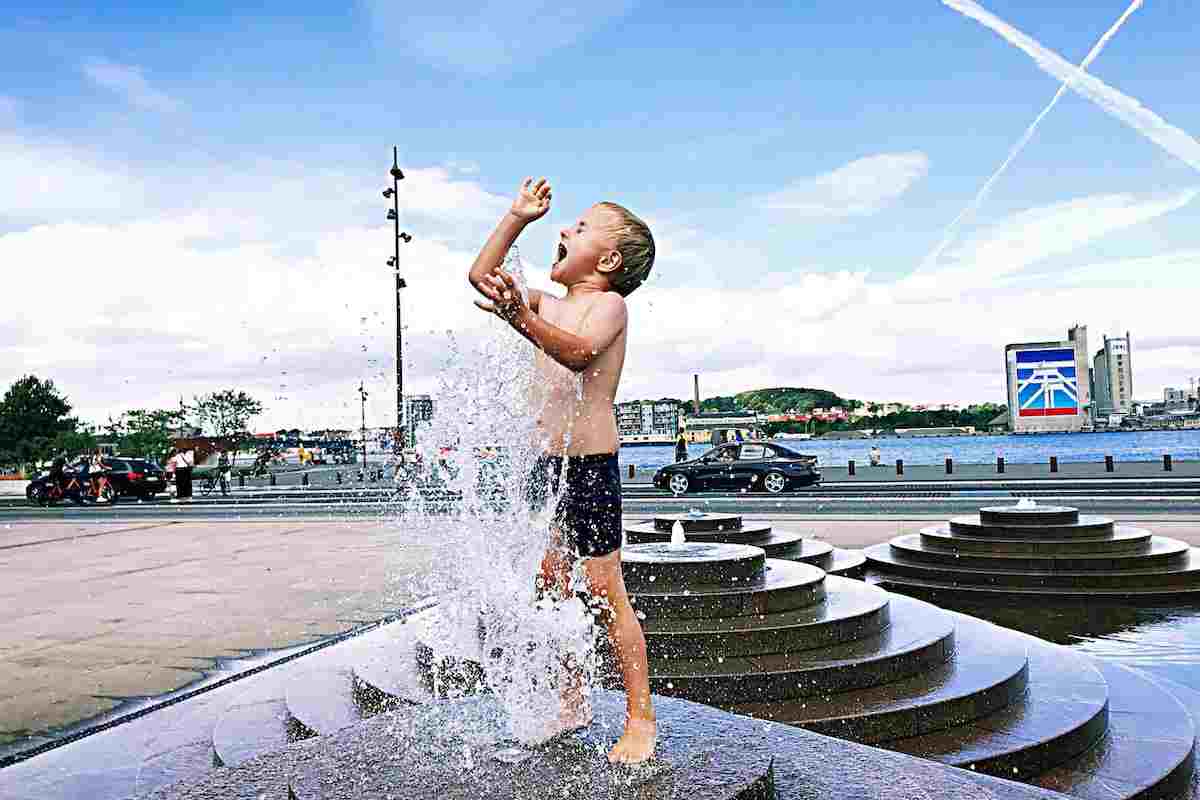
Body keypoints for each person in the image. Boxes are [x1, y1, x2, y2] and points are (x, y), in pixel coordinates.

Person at [469, 176, 656, 764]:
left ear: (606, 259)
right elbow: (481, 276)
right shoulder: (549, 304)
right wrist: (515, 218)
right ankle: (571, 698)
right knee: (550, 587)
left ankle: (640, 716)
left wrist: (516, 317)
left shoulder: (608, 306)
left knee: (604, 593)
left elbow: (575, 356)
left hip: (589, 468)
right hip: (543, 468)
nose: (563, 229)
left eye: (577, 228)